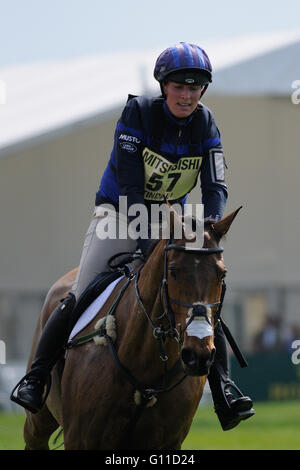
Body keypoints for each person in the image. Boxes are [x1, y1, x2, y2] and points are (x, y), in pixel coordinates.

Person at [11, 42, 254, 430]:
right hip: (120, 216)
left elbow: (215, 186)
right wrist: (146, 242)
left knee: (201, 300)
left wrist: (207, 228)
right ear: (163, 85)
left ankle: (224, 387)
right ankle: (37, 378)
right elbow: (129, 186)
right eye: (179, 86)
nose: (187, 95)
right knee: (80, 293)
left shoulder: (206, 123)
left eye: (196, 88)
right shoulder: (138, 113)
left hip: (174, 222)